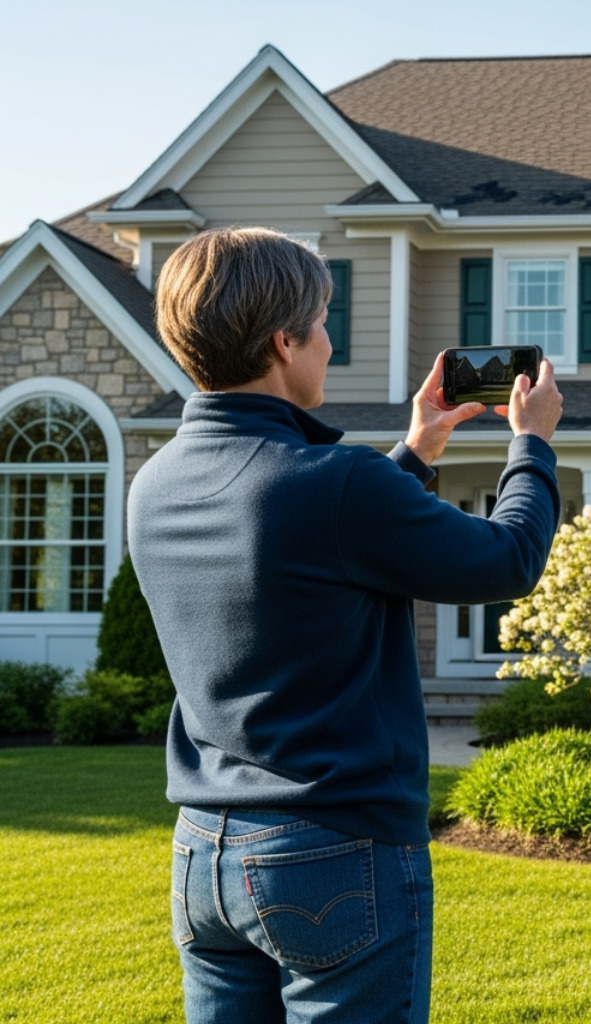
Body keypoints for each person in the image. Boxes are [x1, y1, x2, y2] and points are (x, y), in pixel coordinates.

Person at [128, 226, 563, 1024]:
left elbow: (304, 541)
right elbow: (505, 560)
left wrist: (419, 446)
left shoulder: (155, 484)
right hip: (334, 851)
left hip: (203, 852)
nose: (331, 342)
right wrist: (530, 446)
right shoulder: (333, 484)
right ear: (282, 342)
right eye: (323, 322)